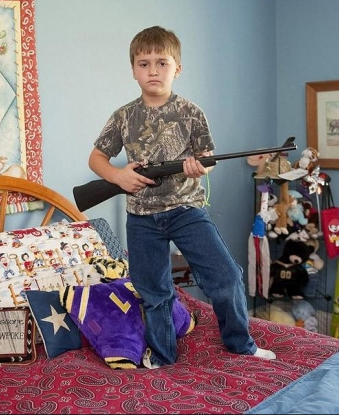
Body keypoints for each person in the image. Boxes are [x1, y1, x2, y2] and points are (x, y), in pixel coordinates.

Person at [87, 25, 276, 367]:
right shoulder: (123, 116)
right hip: (141, 219)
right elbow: (96, 158)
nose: (153, 70)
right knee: (154, 293)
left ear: (178, 68)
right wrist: (118, 175)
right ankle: (162, 356)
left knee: (227, 276)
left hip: (186, 211)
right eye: (144, 63)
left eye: (162, 62)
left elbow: (208, 159)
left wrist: (198, 169)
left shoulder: (191, 112)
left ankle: (240, 344)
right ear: (133, 70)